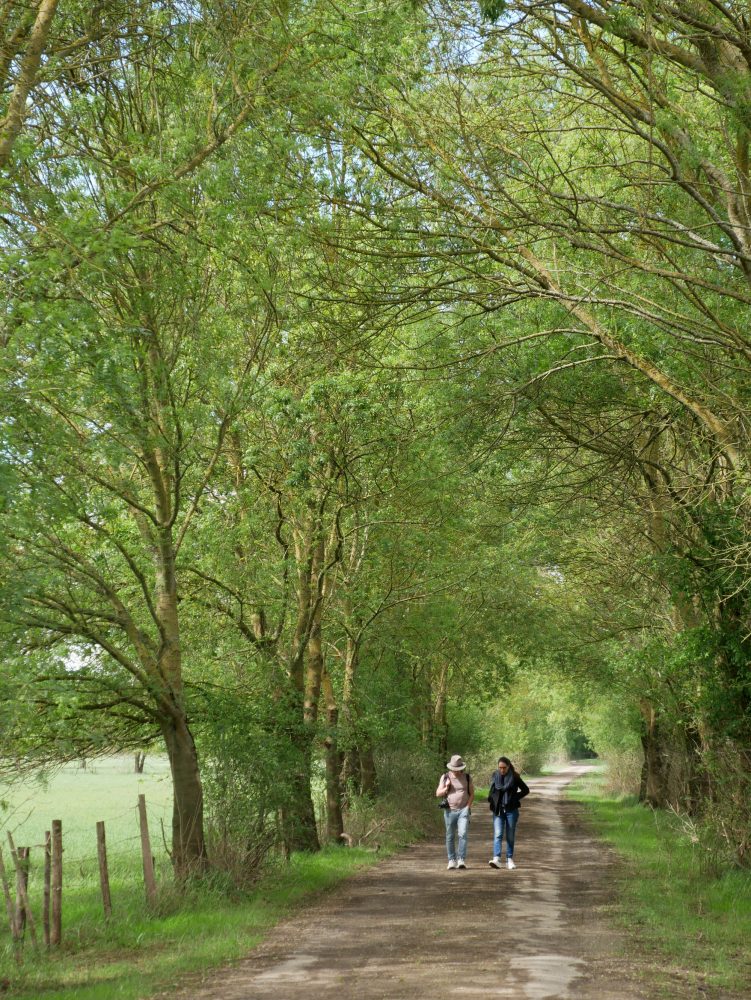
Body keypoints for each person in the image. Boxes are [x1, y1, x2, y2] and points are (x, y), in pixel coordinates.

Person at [487, 756, 530, 870]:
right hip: (498, 810)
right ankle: (496, 859)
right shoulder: (495, 776)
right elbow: (492, 791)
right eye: (500, 767)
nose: (502, 770)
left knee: (510, 836)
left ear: (509, 766)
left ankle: (509, 859)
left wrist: (515, 798)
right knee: (498, 834)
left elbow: (526, 790)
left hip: (511, 810)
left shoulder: (515, 777)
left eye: (504, 768)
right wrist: (492, 800)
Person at [436, 754, 474, 870]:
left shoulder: (467, 777)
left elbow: (472, 794)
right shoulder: (445, 777)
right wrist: (446, 788)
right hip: (449, 811)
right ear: (450, 768)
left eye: (458, 770)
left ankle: (461, 859)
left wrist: (468, 807)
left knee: (462, 834)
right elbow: (438, 793)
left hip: (463, 810)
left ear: (461, 768)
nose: (456, 772)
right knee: (450, 835)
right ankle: (451, 860)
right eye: (454, 769)